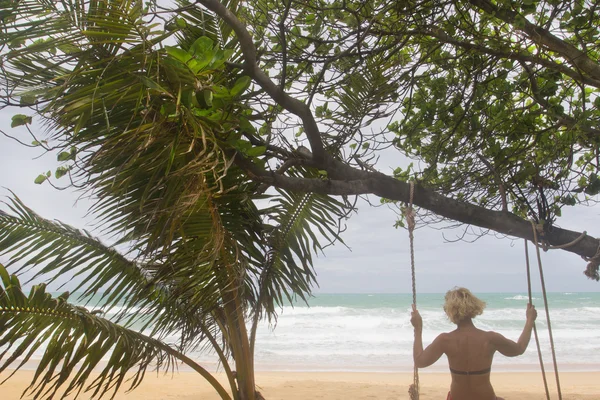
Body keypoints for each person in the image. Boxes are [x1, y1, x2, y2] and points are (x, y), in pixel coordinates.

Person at [410, 287, 537, 400]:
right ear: (473, 307)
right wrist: (530, 320)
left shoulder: (445, 340)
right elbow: (519, 348)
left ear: (450, 311)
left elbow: (420, 362)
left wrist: (418, 328)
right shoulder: (490, 338)